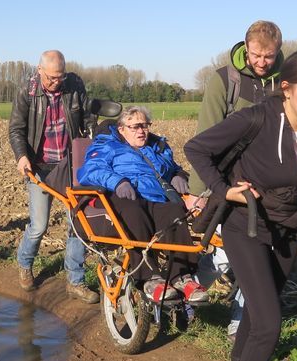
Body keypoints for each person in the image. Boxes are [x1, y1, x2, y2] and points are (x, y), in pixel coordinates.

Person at [184, 50, 297, 361]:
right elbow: (197, 148)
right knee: (269, 325)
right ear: (287, 88)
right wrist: (223, 189)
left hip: (292, 225)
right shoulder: (255, 118)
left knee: (263, 306)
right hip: (247, 224)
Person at [189, 20, 284, 341]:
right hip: (227, 183)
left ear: (277, 52)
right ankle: (192, 295)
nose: (261, 62)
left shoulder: (285, 82)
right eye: (256, 55)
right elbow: (203, 138)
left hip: (269, 184)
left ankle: (241, 320)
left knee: (262, 252)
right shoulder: (224, 81)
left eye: (268, 57)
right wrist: (197, 192)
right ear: (246, 48)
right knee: (222, 253)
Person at [77, 106, 208, 304]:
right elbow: (91, 170)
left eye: (145, 126)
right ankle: (149, 278)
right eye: (135, 126)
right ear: (121, 129)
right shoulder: (107, 145)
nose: (142, 131)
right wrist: (118, 182)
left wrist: (178, 176)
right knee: (133, 210)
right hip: (122, 196)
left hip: (155, 197)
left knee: (174, 211)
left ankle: (182, 277)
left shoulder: (156, 147)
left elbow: (172, 168)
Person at [8, 50, 98, 304]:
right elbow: (16, 128)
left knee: (77, 224)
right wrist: (21, 156)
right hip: (39, 167)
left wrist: (91, 140)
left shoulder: (75, 85)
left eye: (60, 77)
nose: (56, 82)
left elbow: (89, 118)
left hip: (70, 165)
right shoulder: (28, 91)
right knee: (39, 226)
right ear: (40, 71)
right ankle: (25, 264)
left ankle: (75, 281)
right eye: (51, 78)